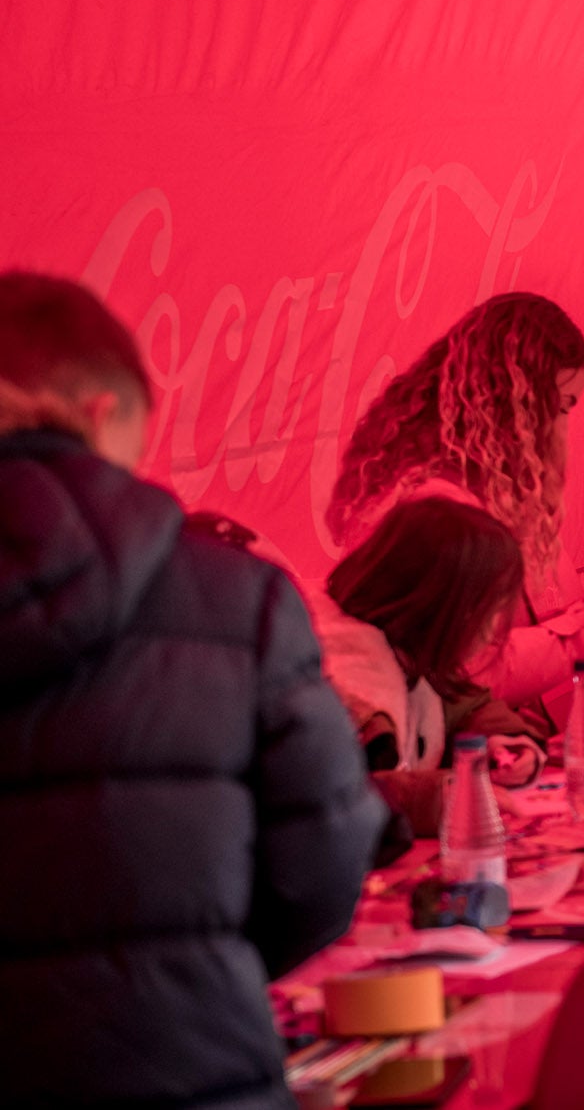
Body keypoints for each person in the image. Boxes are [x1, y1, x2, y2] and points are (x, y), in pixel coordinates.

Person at [0, 272, 382, 1110]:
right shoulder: (241, 600)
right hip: (191, 1067)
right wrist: (197, 957)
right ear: (101, 415)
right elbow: (322, 864)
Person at [327, 293, 584, 706]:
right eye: (562, 406)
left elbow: (532, 627)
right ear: (512, 404)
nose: (563, 427)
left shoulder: (503, 493)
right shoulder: (434, 511)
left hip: (521, 737)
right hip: (478, 753)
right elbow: (465, 674)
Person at [321, 497, 553, 841]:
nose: (492, 631)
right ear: (441, 605)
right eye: (489, 612)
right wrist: (444, 797)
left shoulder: (410, 654)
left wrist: (505, 744)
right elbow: (334, 797)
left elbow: (463, 704)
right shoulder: (346, 682)